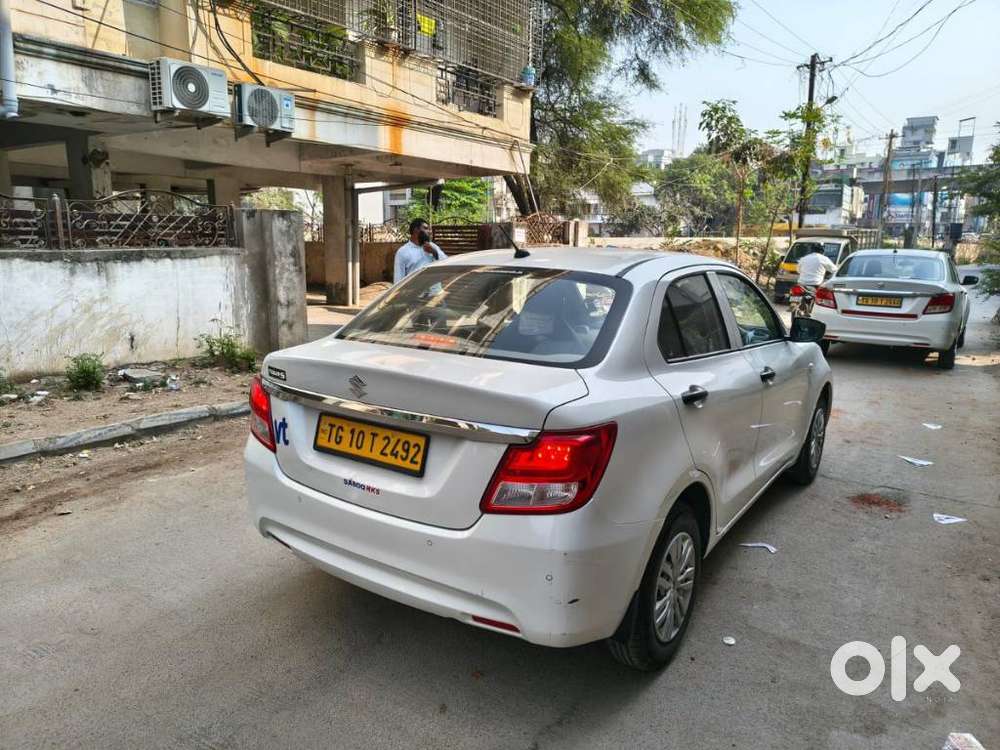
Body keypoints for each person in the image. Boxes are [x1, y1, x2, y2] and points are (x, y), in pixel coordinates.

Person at [393, 218, 446, 284]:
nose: (430, 232)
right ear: (416, 230)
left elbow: (446, 262)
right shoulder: (402, 252)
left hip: (435, 289)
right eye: (426, 228)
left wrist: (434, 252)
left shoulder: (432, 246)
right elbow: (398, 278)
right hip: (415, 290)